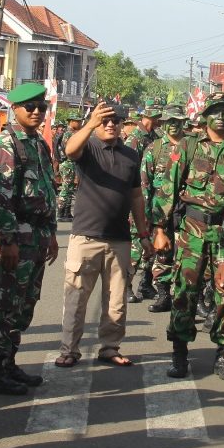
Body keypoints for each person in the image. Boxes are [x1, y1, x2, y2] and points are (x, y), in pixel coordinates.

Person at [152, 92, 224, 382]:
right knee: (185, 291)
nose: (221, 117)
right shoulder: (188, 146)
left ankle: (222, 355)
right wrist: (159, 228)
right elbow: (168, 187)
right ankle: (179, 353)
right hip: (192, 229)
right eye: (215, 112)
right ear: (205, 116)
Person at [55, 102, 152, 367]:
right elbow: (69, 150)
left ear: (123, 124)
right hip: (86, 237)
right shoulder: (87, 148)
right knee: (76, 298)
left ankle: (110, 347)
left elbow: (136, 196)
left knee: (116, 301)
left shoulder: (131, 155)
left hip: (119, 239)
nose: (110, 125)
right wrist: (90, 123)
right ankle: (69, 350)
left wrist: (143, 234)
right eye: (105, 120)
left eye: (116, 121)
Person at [0, 83, 59, 394]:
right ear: (14, 108)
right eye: (30, 106)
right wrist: (7, 239)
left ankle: (8, 363)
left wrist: (51, 233)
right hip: (17, 236)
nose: (37, 111)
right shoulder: (6, 144)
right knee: (4, 304)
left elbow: (47, 191)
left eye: (41, 106)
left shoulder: (38, 144)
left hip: (36, 235)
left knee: (24, 305)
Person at [144, 104, 188, 313]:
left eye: (177, 122)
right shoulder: (155, 148)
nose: (173, 126)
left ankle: (189, 299)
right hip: (161, 211)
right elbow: (144, 183)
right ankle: (163, 294)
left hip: (187, 211)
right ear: (163, 123)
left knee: (188, 256)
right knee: (162, 255)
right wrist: (144, 216)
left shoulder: (192, 146)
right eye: (169, 121)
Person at [125, 102, 162, 302]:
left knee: (152, 242)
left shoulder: (155, 138)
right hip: (138, 196)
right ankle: (126, 284)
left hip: (156, 197)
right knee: (137, 243)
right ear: (150, 116)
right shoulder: (135, 138)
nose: (159, 121)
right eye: (157, 117)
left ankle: (145, 283)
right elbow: (129, 169)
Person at [55, 112, 84, 221]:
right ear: (71, 122)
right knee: (66, 188)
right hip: (68, 163)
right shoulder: (68, 134)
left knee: (70, 188)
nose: (80, 123)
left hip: (71, 164)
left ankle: (67, 213)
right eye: (78, 121)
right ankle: (60, 212)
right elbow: (70, 149)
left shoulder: (72, 133)